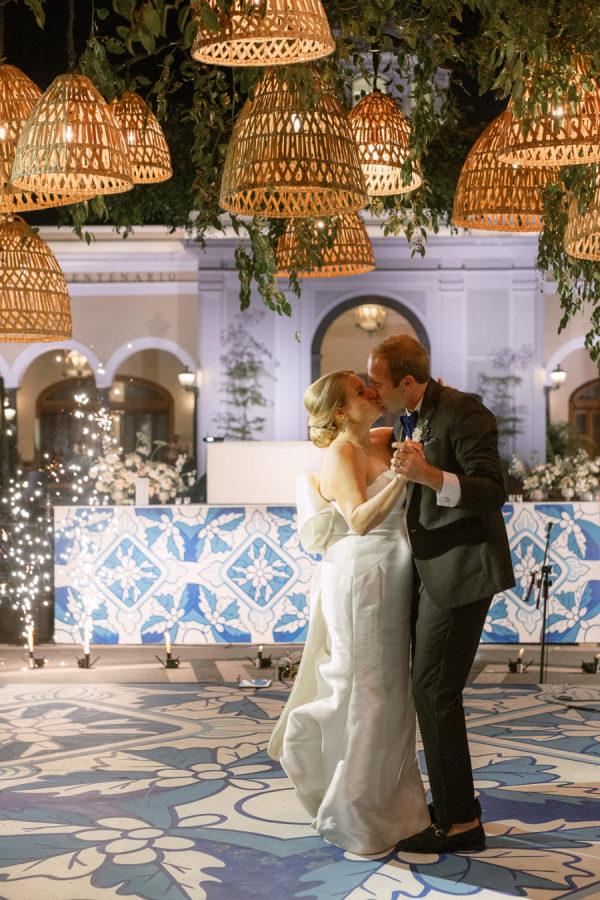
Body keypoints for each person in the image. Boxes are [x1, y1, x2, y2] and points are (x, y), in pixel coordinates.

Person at [268, 370, 430, 856]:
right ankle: (354, 812)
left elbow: (414, 425)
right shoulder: (340, 453)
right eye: (361, 391)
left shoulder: (381, 437)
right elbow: (358, 520)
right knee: (365, 688)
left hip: (393, 570)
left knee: (391, 690)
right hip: (361, 574)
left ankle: (392, 805)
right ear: (340, 411)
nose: (372, 392)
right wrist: (403, 478)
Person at [367, 334, 515, 853]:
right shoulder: (410, 417)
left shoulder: (463, 411)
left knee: (434, 692)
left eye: (378, 382)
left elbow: (492, 490)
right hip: (432, 569)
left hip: (462, 569)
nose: (373, 389)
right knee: (429, 690)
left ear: (407, 380)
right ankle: (455, 803)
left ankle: (461, 824)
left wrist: (430, 475)